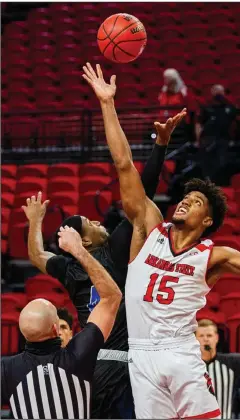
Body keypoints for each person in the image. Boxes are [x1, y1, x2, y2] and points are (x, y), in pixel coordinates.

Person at [82, 62, 240, 419]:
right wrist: (107, 104)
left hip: (180, 352)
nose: (184, 201)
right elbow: (123, 165)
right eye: (185, 197)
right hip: (140, 354)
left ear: (207, 220)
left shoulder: (213, 255)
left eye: (195, 202)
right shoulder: (149, 228)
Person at [25, 111, 184, 418]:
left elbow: (37, 256)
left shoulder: (69, 270)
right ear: (84, 242)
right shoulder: (113, 249)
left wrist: (34, 222)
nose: (99, 222)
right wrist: (161, 146)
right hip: (124, 366)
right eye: (91, 223)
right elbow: (142, 194)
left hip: (89, 365)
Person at [1, 224, 122, 420]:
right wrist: (78, 250)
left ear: (23, 334)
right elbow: (111, 297)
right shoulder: (80, 354)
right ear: (56, 328)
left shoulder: (6, 369)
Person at [196, 84, 240, 183]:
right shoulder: (206, 107)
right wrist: (198, 139)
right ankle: (208, 182)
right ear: (212, 92)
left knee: (221, 163)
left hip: (223, 139)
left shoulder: (229, 107)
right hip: (208, 139)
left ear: (224, 92)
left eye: (220, 90)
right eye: (215, 90)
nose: (218, 92)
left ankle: (220, 183)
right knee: (207, 165)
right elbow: (199, 124)